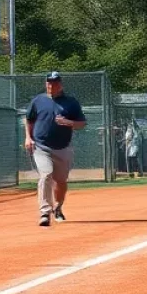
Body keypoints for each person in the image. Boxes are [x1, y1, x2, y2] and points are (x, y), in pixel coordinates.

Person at [24, 71, 87, 227]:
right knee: (46, 175)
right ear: (46, 84)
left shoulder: (71, 102)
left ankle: (58, 207)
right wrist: (28, 137)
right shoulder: (38, 100)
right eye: (49, 82)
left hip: (63, 148)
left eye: (55, 82)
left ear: (61, 84)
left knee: (61, 181)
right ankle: (45, 212)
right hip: (41, 146)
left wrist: (67, 122)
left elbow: (81, 124)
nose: (52, 85)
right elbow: (29, 119)